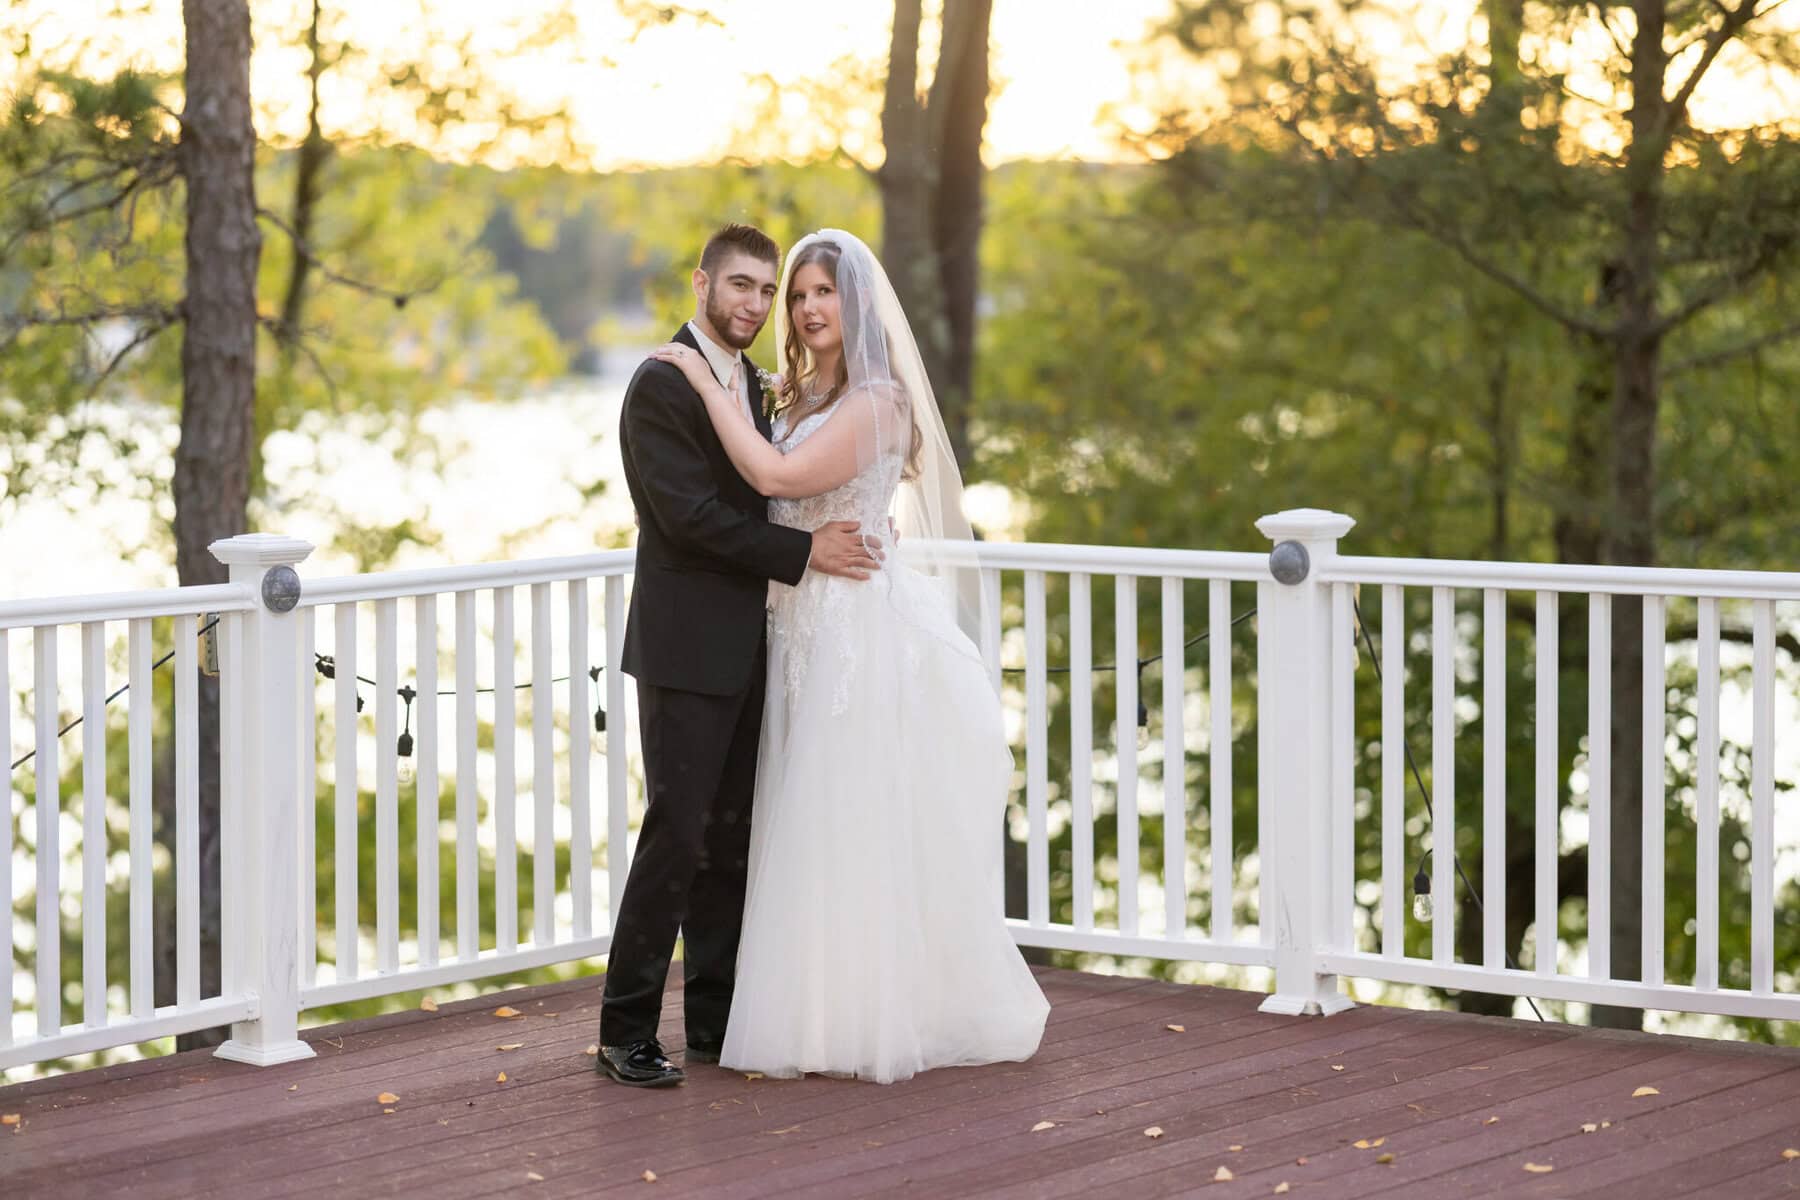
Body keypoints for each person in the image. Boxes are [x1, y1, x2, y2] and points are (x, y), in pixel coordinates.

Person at [650, 228, 1048, 1084]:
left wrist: (694, 372)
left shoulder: (879, 399)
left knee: (847, 813)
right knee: (795, 823)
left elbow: (774, 480)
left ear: (857, 302)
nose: (804, 308)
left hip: (852, 629)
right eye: (796, 296)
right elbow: (780, 481)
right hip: (789, 626)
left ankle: (867, 1016)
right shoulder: (789, 394)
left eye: (820, 292)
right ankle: (811, 1007)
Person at [598, 223, 882, 1088]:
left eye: (771, 291)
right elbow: (686, 518)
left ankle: (717, 1024)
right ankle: (626, 1030)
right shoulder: (660, 384)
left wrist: (860, 510)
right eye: (745, 287)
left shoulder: (759, 386)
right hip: (687, 646)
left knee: (733, 842)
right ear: (703, 283)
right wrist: (804, 555)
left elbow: (784, 486)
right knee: (676, 837)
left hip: (761, 642)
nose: (759, 305)